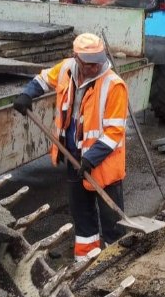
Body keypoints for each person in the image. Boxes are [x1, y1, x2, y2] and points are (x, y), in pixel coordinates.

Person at [12, 33, 128, 261]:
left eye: (98, 62)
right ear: (77, 58)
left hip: (103, 164)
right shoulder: (66, 69)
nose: (95, 67)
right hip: (73, 154)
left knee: (110, 218)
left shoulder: (114, 85)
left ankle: (116, 262)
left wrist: (91, 158)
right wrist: (27, 94)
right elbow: (43, 79)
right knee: (81, 212)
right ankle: (87, 260)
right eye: (89, 63)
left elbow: (114, 132)